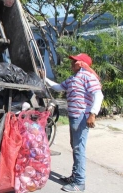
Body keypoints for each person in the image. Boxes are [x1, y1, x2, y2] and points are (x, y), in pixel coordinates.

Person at [40, 53, 103, 192]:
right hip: (74, 117)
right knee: (75, 147)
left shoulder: (88, 76)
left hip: (81, 117)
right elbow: (58, 87)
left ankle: (79, 183)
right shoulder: (74, 78)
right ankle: (75, 176)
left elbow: (98, 95)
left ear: (81, 64)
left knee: (79, 149)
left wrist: (93, 114)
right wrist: (44, 78)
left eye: (74, 61)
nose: (71, 64)